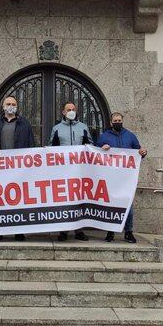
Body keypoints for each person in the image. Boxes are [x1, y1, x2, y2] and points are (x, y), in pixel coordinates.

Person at [0, 96, 35, 241]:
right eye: (8, 104)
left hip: (19, 170)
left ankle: (18, 231)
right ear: (3, 106)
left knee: (18, 201)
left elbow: (31, 144)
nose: (11, 106)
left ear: (17, 107)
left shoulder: (25, 124)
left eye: (13, 104)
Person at [96, 112, 147, 244]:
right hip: (110, 178)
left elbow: (138, 152)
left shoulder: (130, 136)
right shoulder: (103, 137)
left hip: (126, 179)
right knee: (110, 206)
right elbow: (95, 155)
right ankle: (110, 232)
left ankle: (128, 232)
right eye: (115, 120)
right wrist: (102, 149)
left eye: (120, 120)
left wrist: (143, 152)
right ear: (111, 123)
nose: (118, 122)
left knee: (128, 208)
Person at [49, 102, 92, 242]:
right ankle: (63, 230)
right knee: (64, 200)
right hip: (63, 171)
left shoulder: (83, 127)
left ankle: (79, 230)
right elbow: (51, 147)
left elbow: (90, 145)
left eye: (73, 109)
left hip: (80, 170)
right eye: (69, 110)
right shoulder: (57, 128)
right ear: (63, 112)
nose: (71, 111)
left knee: (79, 199)